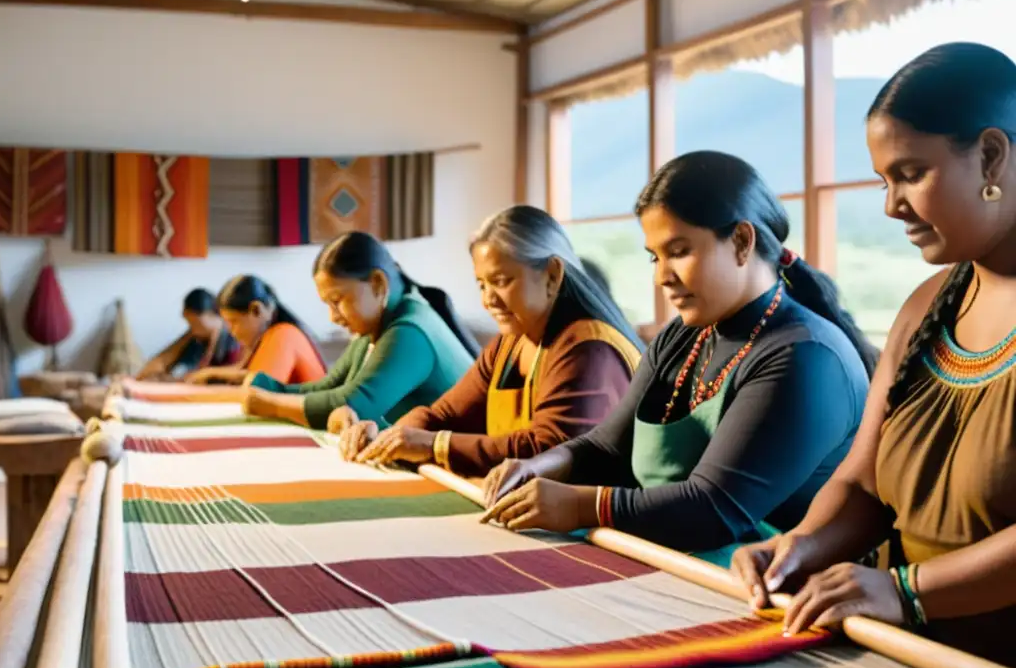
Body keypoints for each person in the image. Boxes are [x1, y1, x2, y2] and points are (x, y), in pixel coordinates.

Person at [731, 42, 1016, 667]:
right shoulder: (926, 307)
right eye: (885, 181)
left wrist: (907, 592)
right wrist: (801, 546)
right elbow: (864, 482)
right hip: (898, 648)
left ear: (991, 155)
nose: (892, 206)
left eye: (912, 174)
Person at [481, 152, 879, 569]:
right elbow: (607, 447)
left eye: (679, 251)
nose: (662, 276)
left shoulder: (805, 355)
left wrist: (583, 505)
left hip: (782, 594)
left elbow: (713, 510)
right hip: (677, 566)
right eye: (655, 256)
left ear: (743, 242)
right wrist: (540, 466)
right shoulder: (684, 334)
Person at [341, 205, 643, 475]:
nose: (488, 300)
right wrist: (390, 436)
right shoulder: (509, 343)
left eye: (501, 282)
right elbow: (444, 415)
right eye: (481, 284)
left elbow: (549, 450)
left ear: (552, 275)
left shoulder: (588, 348)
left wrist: (434, 445)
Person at [242, 232, 477, 430]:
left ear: (378, 284)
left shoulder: (410, 330)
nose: (333, 317)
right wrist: (270, 387)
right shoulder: (376, 326)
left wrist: (271, 404)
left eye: (338, 301)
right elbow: (330, 386)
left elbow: (354, 405)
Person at [186, 274, 326, 386]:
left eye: (234, 322)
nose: (232, 331)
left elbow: (260, 391)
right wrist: (210, 373)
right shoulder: (267, 336)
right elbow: (251, 374)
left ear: (256, 310)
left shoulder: (284, 334)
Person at [136, 288, 241, 381]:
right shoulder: (196, 340)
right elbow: (147, 371)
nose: (194, 330)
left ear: (213, 315)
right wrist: (186, 336)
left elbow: (233, 378)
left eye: (197, 324)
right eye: (190, 324)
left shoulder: (233, 341)